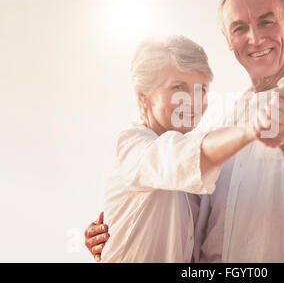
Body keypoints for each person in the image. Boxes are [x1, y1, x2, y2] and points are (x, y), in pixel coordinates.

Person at [85, 0, 284, 262]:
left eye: (266, 22)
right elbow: (183, 202)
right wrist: (119, 232)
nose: (255, 38)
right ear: (228, 40)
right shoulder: (220, 123)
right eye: (239, 28)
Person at [96, 35, 268, 262]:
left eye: (202, 90)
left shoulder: (194, 167)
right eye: (178, 88)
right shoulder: (131, 144)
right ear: (143, 97)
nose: (192, 101)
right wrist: (251, 129)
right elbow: (172, 159)